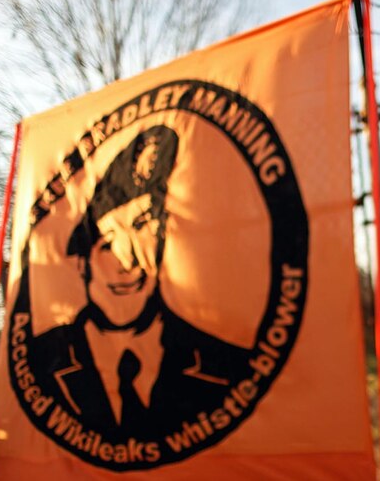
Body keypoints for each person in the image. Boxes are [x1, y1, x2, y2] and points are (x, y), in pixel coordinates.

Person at [31, 125, 251, 435]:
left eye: (143, 229)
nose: (129, 261)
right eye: (108, 244)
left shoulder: (222, 365)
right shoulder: (40, 362)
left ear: (163, 244)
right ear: (82, 264)